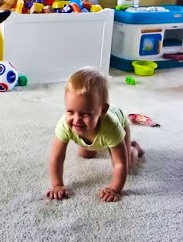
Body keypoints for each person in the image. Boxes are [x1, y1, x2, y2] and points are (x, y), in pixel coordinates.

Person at [46, 67, 144, 202]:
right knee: (85, 154)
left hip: (120, 124)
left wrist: (115, 189)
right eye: (70, 111)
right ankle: (98, 142)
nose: (76, 119)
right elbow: (56, 158)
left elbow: (119, 164)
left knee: (126, 165)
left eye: (85, 114)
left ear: (102, 110)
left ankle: (134, 148)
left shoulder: (112, 127)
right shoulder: (64, 124)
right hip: (92, 133)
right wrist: (57, 185)